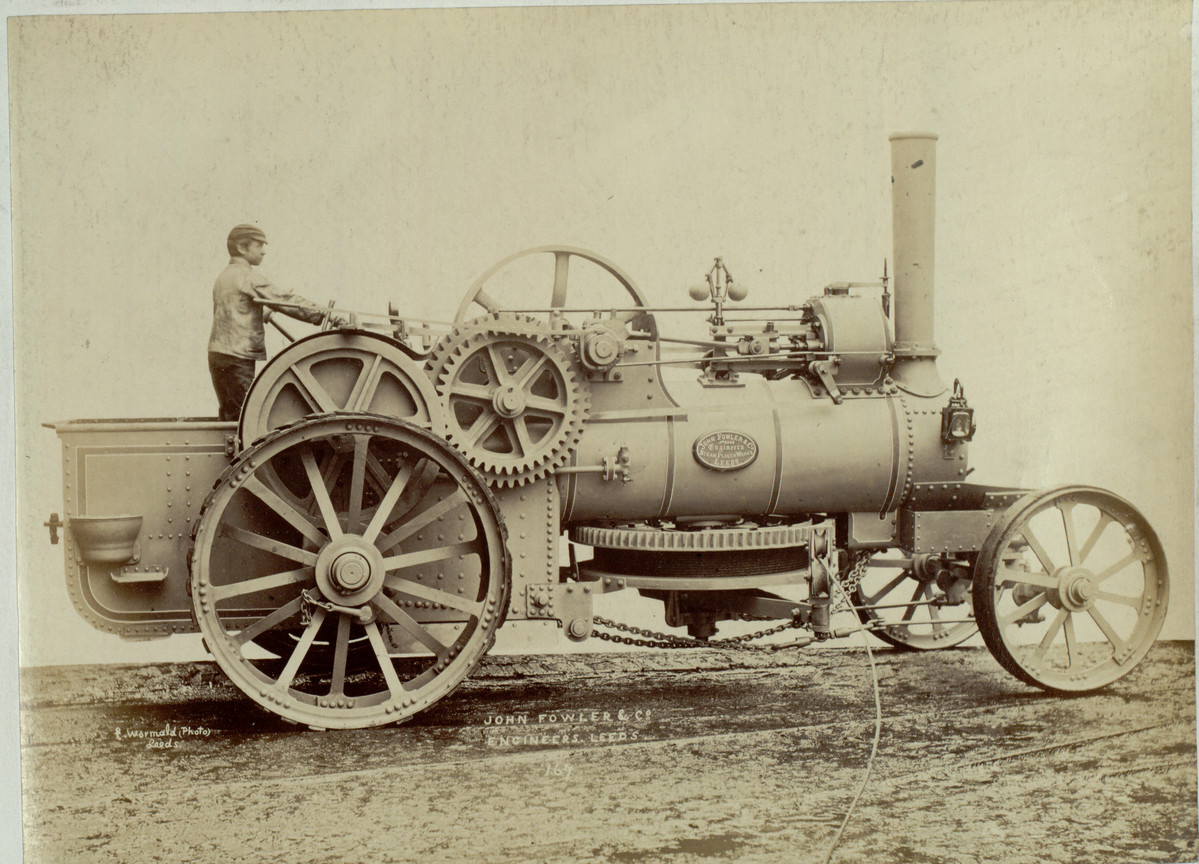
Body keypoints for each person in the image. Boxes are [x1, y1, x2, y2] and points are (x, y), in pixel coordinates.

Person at [207, 224, 343, 421]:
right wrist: (325, 314)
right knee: (246, 419)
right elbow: (286, 301)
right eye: (259, 245)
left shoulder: (224, 277)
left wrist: (264, 312)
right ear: (242, 248)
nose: (263, 251)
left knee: (232, 415)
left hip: (218, 355)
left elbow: (237, 313)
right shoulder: (249, 278)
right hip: (239, 358)